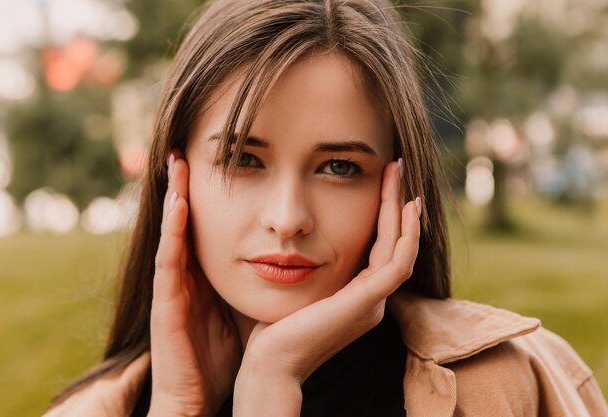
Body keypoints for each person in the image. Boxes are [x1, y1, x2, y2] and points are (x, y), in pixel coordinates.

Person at [44, 0, 608, 416]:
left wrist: (271, 377)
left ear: (396, 187)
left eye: (339, 167)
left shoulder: (513, 384)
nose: (288, 218)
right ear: (176, 172)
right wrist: (178, 405)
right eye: (244, 159)